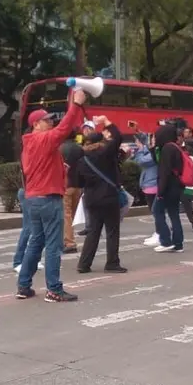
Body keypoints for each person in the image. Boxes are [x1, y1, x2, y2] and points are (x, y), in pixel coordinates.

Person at [16, 88, 88, 302]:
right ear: (36, 124)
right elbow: (65, 128)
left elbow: (33, 170)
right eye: (46, 120)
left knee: (35, 242)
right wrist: (76, 104)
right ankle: (54, 289)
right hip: (48, 197)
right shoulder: (43, 139)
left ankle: (23, 285)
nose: (51, 122)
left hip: (33, 198)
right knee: (54, 245)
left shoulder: (28, 144)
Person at [75, 116, 126, 274]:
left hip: (91, 198)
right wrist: (106, 121)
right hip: (109, 197)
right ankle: (112, 262)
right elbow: (118, 137)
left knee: (93, 231)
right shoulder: (105, 153)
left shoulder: (82, 159)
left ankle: (84, 264)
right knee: (112, 231)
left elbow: (79, 182)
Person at [151, 123, 185, 254]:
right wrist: (153, 149)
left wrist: (160, 191)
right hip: (176, 187)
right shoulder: (175, 147)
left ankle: (166, 241)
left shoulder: (167, 149)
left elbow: (164, 171)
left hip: (168, 187)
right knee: (174, 214)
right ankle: (178, 244)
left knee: (157, 211)